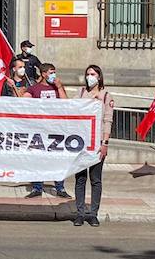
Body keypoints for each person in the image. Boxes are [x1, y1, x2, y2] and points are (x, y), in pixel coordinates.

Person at [72, 64, 113, 226]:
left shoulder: (106, 95)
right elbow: (71, 110)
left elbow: (108, 120)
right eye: (88, 73)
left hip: (97, 143)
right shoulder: (81, 93)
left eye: (93, 74)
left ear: (99, 77)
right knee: (80, 179)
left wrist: (105, 143)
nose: (90, 76)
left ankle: (93, 213)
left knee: (95, 179)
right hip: (81, 142)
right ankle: (80, 213)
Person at [25, 63, 71, 198]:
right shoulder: (34, 88)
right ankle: (37, 187)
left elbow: (66, 103)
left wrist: (59, 87)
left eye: (54, 72)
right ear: (44, 74)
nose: (54, 75)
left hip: (56, 128)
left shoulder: (57, 88)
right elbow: (22, 102)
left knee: (57, 159)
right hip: (38, 129)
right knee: (38, 158)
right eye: (51, 72)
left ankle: (60, 187)